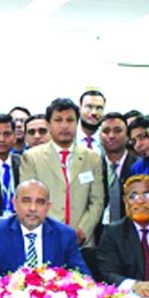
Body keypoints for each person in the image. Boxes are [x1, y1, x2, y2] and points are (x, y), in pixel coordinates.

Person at [20, 98, 104, 247]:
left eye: (70, 120)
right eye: (58, 120)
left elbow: (96, 201)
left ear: (77, 123)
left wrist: (82, 231)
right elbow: (28, 201)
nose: (65, 126)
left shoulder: (93, 158)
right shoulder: (32, 157)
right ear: (49, 124)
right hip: (45, 239)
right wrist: (53, 232)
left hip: (82, 242)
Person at [0, 180, 90, 285]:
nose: (33, 208)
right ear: (14, 203)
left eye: (40, 202)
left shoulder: (65, 235)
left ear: (48, 206)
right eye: (26, 201)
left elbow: (82, 275)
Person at [97, 113, 137, 236]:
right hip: (98, 233)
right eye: (106, 131)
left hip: (132, 231)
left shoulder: (138, 165)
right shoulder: (93, 165)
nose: (111, 136)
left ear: (128, 136)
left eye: (117, 131)